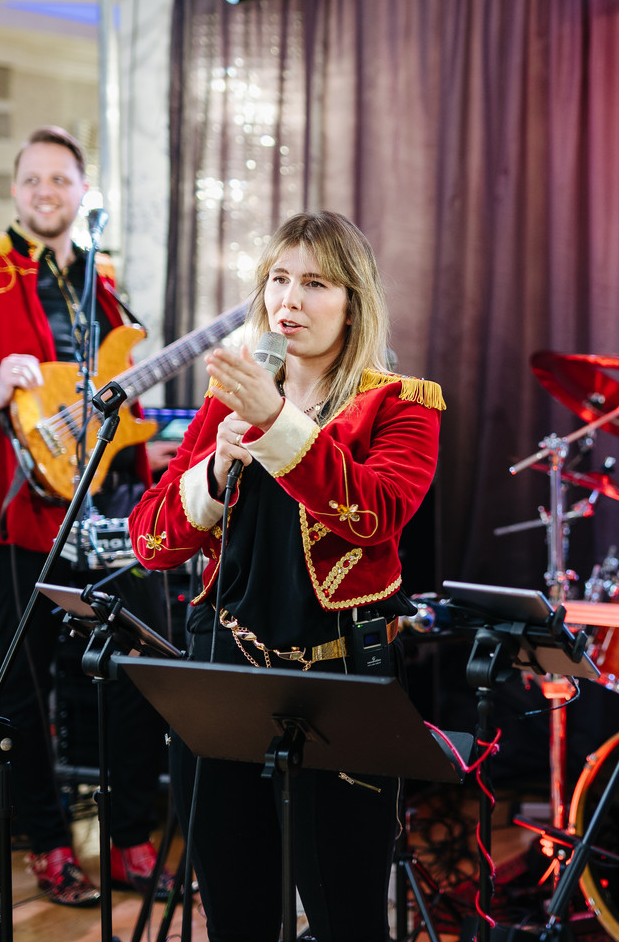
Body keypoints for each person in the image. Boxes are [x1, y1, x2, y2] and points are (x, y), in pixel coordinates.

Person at [128, 210, 442, 940]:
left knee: (345, 916)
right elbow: (151, 542)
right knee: (236, 911)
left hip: (336, 682)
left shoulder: (401, 403)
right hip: (220, 677)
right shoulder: (227, 403)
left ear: (353, 304)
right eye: (277, 279)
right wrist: (215, 469)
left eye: (315, 283)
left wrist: (275, 422)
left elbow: (373, 514)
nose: (288, 301)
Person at [0, 126, 170, 906]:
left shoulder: (102, 277)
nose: (47, 192)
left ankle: (129, 840)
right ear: (15, 191)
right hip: (25, 516)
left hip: (115, 509)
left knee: (145, 668)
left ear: (83, 191)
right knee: (23, 689)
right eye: (33, 179)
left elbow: (115, 394)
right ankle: (48, 846)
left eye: (61, 179)